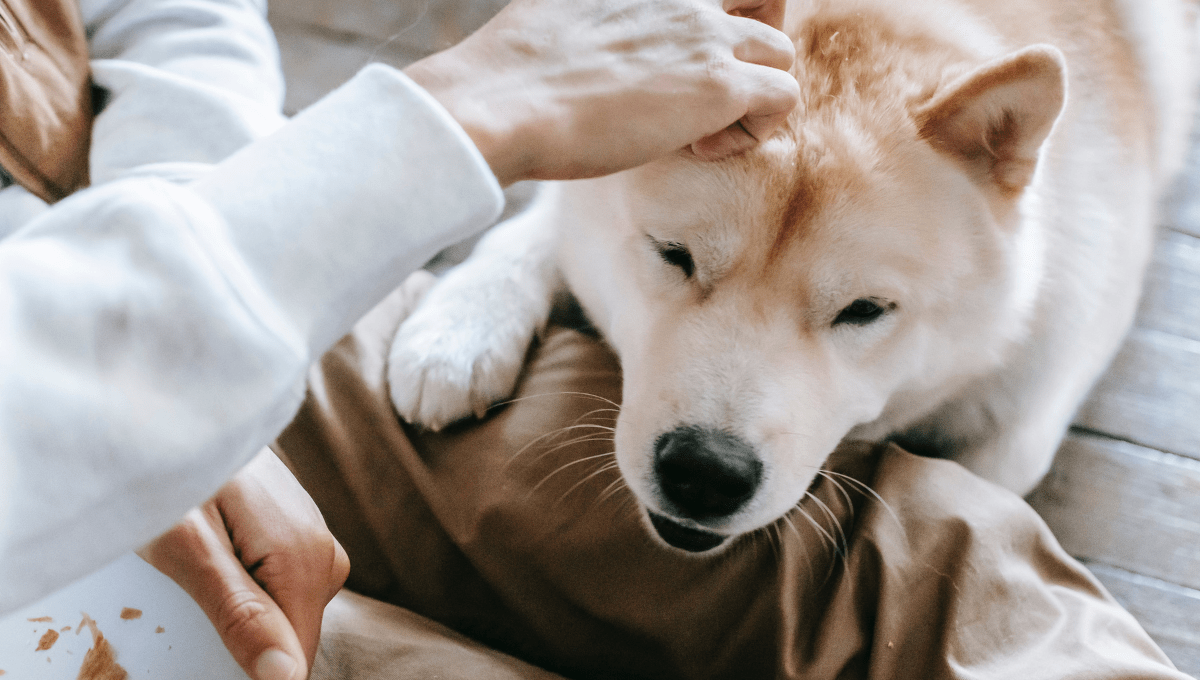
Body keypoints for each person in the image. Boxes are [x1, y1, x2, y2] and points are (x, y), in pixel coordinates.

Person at [0, 0, 798, 679]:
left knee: (888, 591)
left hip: (165, 261)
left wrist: (183, 272)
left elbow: (173, 17)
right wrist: (479, 101)